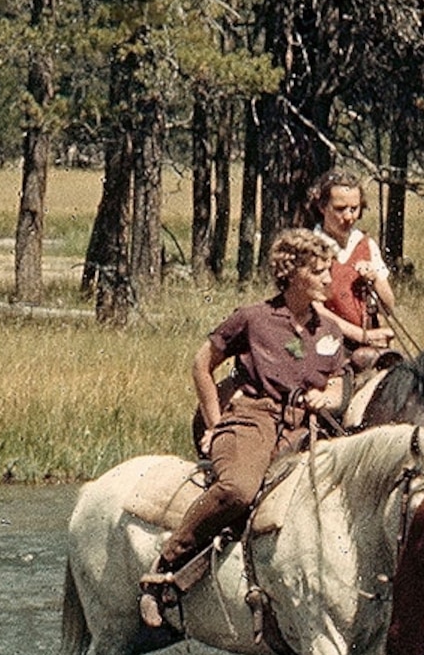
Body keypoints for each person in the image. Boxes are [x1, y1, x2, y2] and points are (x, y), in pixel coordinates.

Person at [138, 228, 353, 630]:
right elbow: (202, 364)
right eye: (320, 271)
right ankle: (161, 570)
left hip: (306, 429)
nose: (329, 279)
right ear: (291, 273)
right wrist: (215, 424)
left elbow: (339, 379)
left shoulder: (330, 331)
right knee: (238, 490)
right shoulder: (253, 319)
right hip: (253, 418)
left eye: (330, 270)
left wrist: (331, 397)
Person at [306, 170, 400, 350]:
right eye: (340, 209)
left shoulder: (366, 244)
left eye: (354, 208)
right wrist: (363, 336)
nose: (349, 217)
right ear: (322, 207)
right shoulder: (310, 247)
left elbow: (389, 306)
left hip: (368, 341)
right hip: (324, 343)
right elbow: (314, 309)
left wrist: (376, 280)